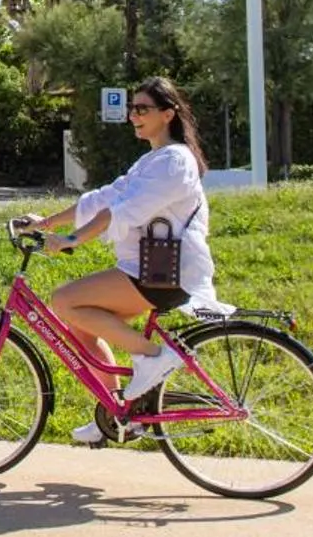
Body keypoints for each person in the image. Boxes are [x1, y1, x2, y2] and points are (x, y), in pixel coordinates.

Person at [27, 76, 217, 444]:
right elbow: (102, 198)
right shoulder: (152, 160)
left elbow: (122, 211)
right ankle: (116, 417)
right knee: (82, 327)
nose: (134, 115)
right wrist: (46, 223)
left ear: (168, 114)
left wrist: (71, 240)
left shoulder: (175, 161)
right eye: (132, 109)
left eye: (143, 109)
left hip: (166, 273)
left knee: (65, 300)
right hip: (147, 269)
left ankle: (154, 356)